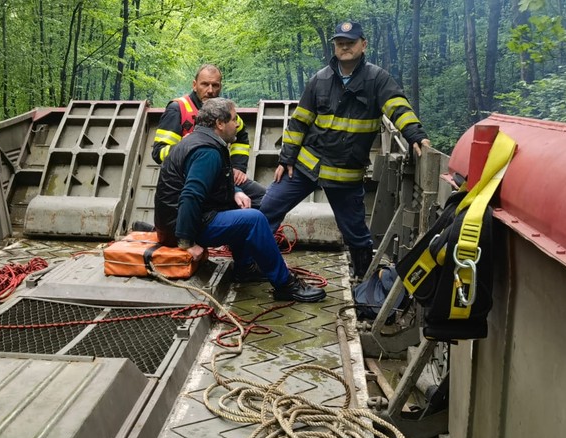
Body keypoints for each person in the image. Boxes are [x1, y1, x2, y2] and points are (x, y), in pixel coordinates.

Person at [259, 21, 431, 279]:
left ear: (363, 44)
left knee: (355, 232)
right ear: (335, 47)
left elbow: (398, 107)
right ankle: (253, 262)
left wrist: (415, 134)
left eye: (350, 42)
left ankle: (363, 277)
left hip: (344, 174)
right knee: (268, 208)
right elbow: (299, 121)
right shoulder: (320, 79)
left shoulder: (377, 79)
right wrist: (287, 158)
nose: (345, 46)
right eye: (340, 42)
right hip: (308, 165)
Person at [154, 98, 325, 303]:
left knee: (243, 206)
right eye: (234, 119)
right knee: (254, 219)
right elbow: (191, 195)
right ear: (219, 123)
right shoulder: (207, 151)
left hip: (178, 221)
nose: (237, 124)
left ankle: (245, 269)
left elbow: (212, 181)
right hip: (180, 228)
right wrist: (186, 242)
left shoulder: (198, 140)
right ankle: (286, 285)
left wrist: (234, 191)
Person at [152, 64, 266, 207]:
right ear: (194, 85)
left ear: (220, 87)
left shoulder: (223, 109)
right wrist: (183, 146)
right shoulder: (178, 109)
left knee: (265, 199)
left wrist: (238, 167)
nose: (210, 90)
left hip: (219, 177)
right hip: (187, 180)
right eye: (205, 84)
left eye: (215, 85)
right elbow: (158, 153)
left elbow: (241, 134)